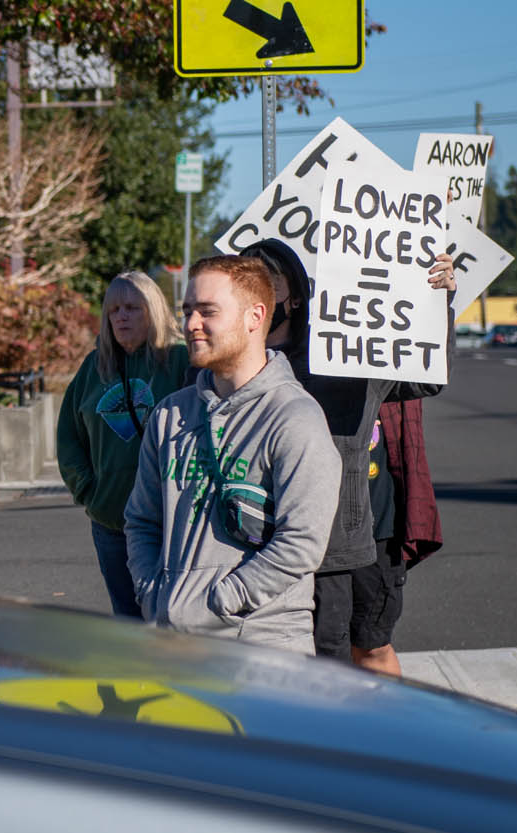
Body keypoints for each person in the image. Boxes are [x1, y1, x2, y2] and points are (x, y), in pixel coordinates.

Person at [239, 237, 454, 664]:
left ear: (295, 298)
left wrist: (438, 300)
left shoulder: (337, 356)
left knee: (347, 658)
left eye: (269, 282)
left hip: (339, 545)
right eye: (246, 284)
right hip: (258, 545)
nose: (257, 293)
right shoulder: (226, 369)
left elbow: (424, 377)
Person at [124, 255, 339, 651]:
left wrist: (220, 602)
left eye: (207, 311)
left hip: (262, 652)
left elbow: (301, 544)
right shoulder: (170, 414)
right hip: (174, 644)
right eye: (187, 311)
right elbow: (141, 521)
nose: (190, 324)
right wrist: (153, 594)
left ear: (255, 316)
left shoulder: (295, 418)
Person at [56, 271, 191, 618]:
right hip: (111, 522)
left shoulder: (179, 360)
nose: (121, 317)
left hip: (169, 522)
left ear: (155, 311)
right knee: (127, 624)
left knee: (172, 621)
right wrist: (89, 492)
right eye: (113, 310)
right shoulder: (93, 367)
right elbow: (69, 436)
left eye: (132, 307)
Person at [340, 397, 443, 677]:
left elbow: (430, 371)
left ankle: (386, 719)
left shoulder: (393, 375)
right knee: (321, 646)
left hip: (376, 528)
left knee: (371, 644)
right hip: (307, 528)